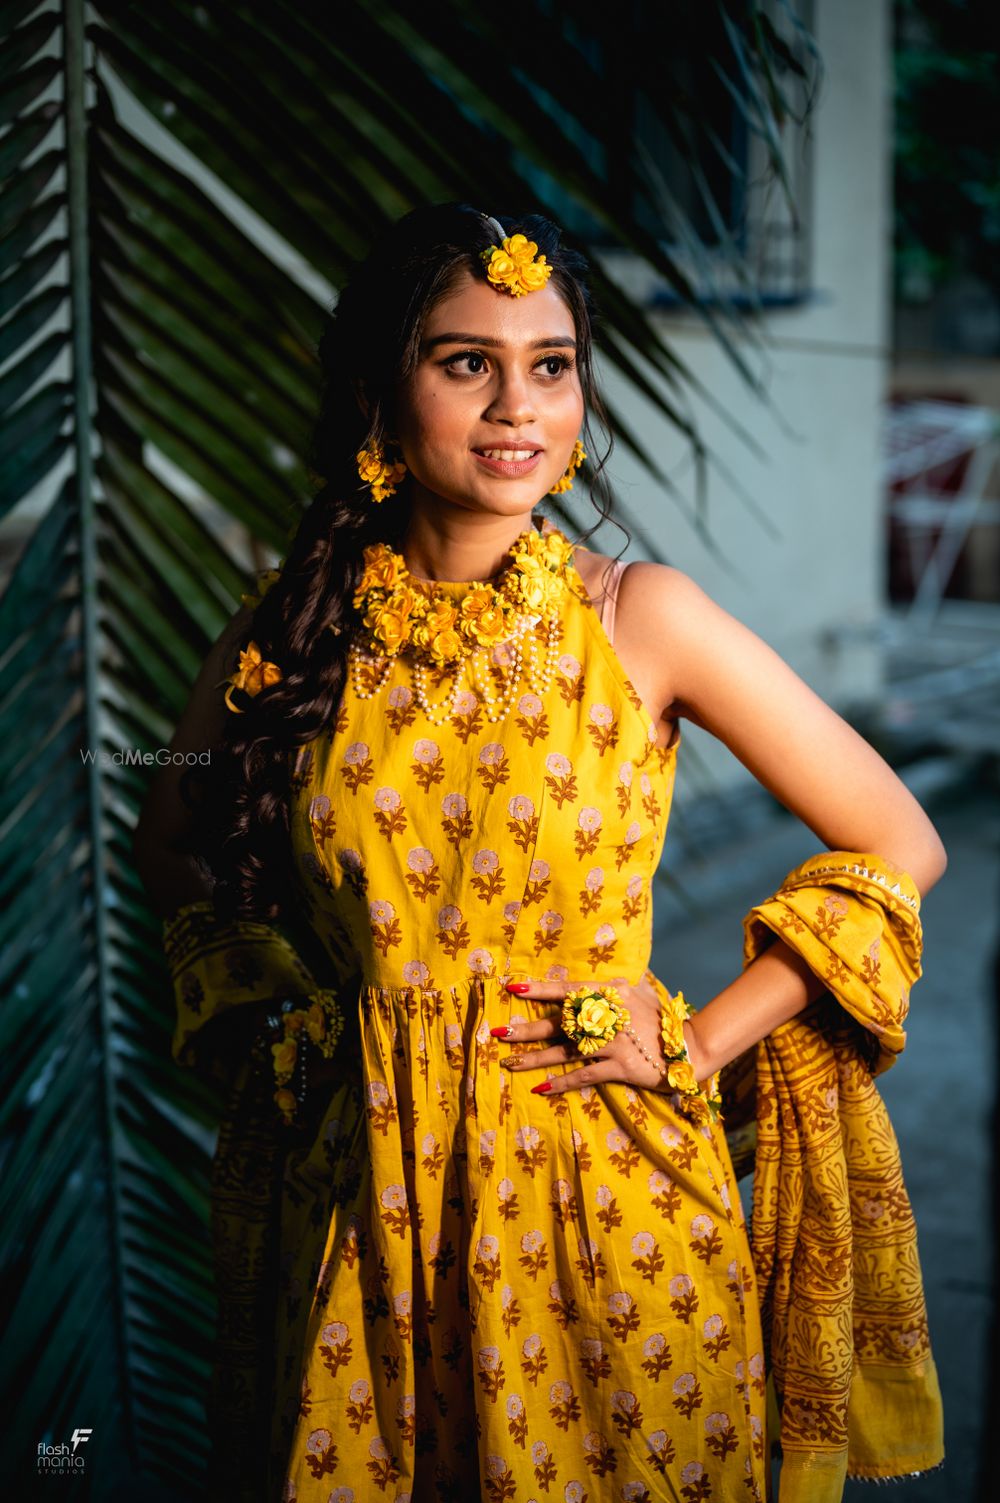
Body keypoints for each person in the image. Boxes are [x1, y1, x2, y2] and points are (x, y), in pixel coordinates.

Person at [133, 204, 946, 1503]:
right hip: (361, 1214)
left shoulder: (642, 618)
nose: (520, 404)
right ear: (379, 394)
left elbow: (895, 837)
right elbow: (169, 821)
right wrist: (275, 1016)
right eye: (468, 362)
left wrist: (696, 1042)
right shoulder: (289, 632)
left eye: (552, 364)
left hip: (605, 1205)